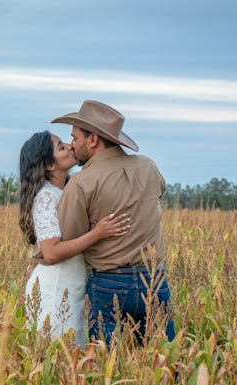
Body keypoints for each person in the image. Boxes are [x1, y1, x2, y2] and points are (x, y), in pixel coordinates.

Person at [51, 100, 175, 345]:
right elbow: (158, 192)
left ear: (93, 140)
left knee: (108, 370)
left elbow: (70, 238)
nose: (72, 145)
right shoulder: (148, 166)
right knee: (165, 367)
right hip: (155, 279)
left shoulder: (82, 182)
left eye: (75, 138)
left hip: (109, 283)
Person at [19, 130, 130, 345]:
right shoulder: (46, 198)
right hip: (56, 288)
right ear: (50, 165)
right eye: (61, 147)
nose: (70, 146)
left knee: (75, 357)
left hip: (75, 285)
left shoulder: (70, 190)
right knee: (58, 357)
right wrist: (97, 233)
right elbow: (51, 253)